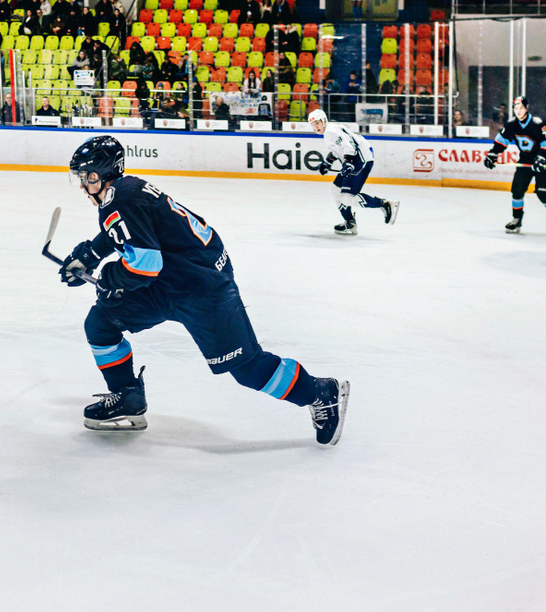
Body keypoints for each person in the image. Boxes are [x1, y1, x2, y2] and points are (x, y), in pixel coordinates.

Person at [57, 135, 349, 444]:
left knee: (248, 369)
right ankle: (127, 396)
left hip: (203, 288)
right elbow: (125, 234)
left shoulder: (119, 199)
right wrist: (89, 254)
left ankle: (319, 392)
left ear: (99, 174)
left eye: (85, 177)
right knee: (101, 323)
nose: (81, 185)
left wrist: (109, 279)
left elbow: (144, 265)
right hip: (171, 283)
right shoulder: (126, 191)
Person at [308, 109, 399, 235]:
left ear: (324, 121)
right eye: (313, 124)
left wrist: (348, 163)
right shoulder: (329, 132)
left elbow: (349, 146)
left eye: (317, 123)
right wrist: (328, 161)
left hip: (361, 160)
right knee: (336, 190)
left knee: (347, 198)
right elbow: (338, 149)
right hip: (355, 160)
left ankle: (384, 204)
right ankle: (349, 223)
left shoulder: (330, 131)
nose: (315, 127)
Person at [482, 96, 546, 233]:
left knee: (543, 194)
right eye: (515, 108)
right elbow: (502, 141)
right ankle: (517, 219)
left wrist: (541, 158)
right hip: (526, 161)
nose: (518, 111)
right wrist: (492, 154)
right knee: (517, 191)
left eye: (521, 108)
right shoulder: (511, 124)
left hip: (544, 162)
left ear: (526, 108)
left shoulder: (537, 123)